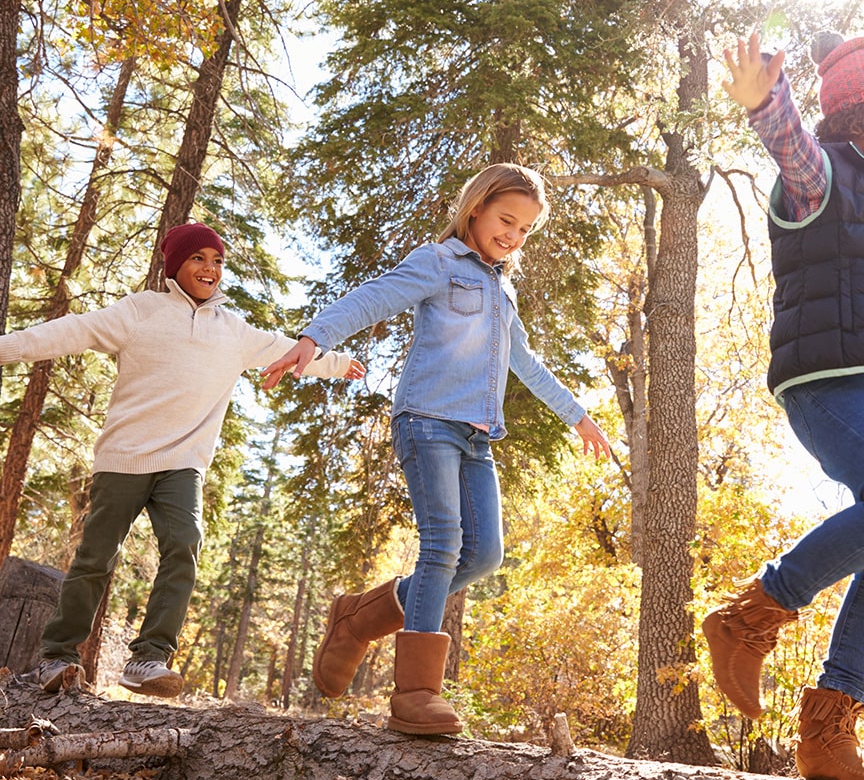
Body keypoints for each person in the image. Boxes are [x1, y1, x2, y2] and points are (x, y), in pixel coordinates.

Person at [262, 163, 610, 736]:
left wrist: (577, 414)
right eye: (506, 220)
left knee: (484, 555)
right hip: (427, 421)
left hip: (477, 436)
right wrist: (314, 338)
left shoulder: (503, 288)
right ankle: (416, 693)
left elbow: (525, 362)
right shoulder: (438, 262)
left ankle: (358, 617)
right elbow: (373, 298)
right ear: (476, 207)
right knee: (443, 543)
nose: (513, 236)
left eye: (525, 229)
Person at [704, 31, 864, 780]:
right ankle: (750, 616)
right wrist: (766, 103)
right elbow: (791, 151)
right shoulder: (826, 179)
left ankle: (828, 733)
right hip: (830, 382)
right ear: (858, 113)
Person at [0, 222, 363, 698]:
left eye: (217, 261)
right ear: (175, 265)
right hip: (124, 457)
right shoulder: (140, 311)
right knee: (95, 558)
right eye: (198, 259)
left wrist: (335, 364)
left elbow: (288, 351)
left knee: (185, 542)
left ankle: (148, 658)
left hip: (183, 462)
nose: (210, 269)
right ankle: (58, 657)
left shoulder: (233, 331)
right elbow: (71, 331)